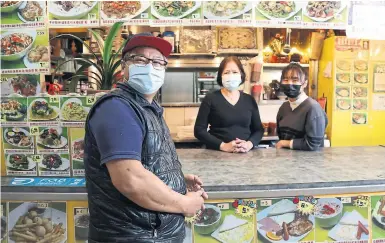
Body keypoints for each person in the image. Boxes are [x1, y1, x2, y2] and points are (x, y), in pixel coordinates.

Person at [84, 33, 208, 243]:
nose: (150, 67)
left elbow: (143, 162)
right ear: (124, 68)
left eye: (158, 62)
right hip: (132, 235)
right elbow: (130, 179)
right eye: (140, 60)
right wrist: (184, 204)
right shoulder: (117, 108)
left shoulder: (147, 108)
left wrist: (174, 178)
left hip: (151, 234)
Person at [194, 56, 263, 153]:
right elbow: (199, 130)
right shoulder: (210, 99)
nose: (231, 75)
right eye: (226, 72)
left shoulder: (249, 100)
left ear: (241, 75)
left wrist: (249, 144)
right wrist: (223, 146)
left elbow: (259, 130)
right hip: (217, 154)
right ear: (220, 76)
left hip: (244, 155)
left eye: (235, 72)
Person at [275, 62, 328, 151]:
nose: (290, 84)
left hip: (308, 163)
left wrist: (285, 143)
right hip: (287, 161)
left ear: (304, 84)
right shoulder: (284, 107)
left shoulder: (313, 108)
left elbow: (313, 144)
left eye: (295, 80)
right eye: (286, 80)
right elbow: (281, 135)